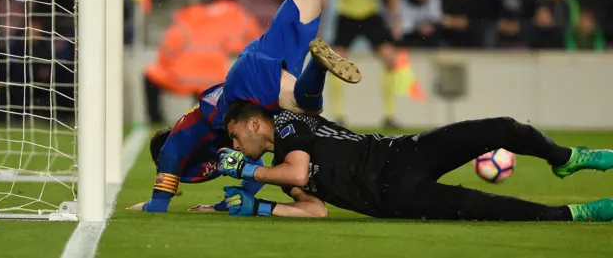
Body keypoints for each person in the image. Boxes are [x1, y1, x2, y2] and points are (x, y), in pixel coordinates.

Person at [127, 0, 360, 212]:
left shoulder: (188, 136)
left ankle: (320, 70)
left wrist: (156, 202)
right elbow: (253, 167)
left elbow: (175, 148)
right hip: (262, 63)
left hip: (245, 83)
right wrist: (233, 203)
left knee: (305, 106)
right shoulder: (231, 143)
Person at [217, 101, 613, 221]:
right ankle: (577, 214)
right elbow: (315, 210)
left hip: (402, 152)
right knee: (486, 208)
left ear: (255, 123)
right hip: (394, 198)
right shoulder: (283, 172)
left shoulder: (287, 123)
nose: (236, 145)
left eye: (236, 135)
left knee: (502, 126)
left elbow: (298, 170)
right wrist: (262, 207)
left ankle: (567, 158)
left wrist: (247, 171)